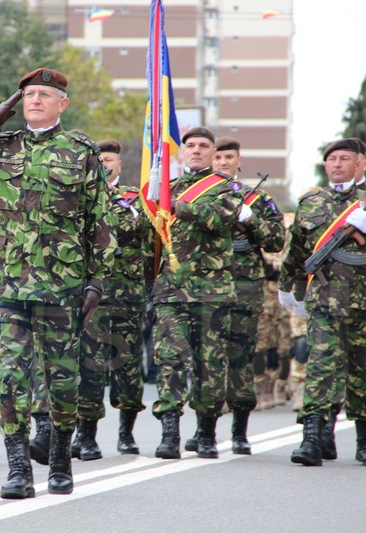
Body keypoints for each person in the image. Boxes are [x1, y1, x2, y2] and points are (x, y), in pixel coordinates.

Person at [0, 68, 116, 497]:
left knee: (62, 379)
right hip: (5, 282)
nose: (34, 100)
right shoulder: (0, 145)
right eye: (28, 95)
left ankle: (60, 459)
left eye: (44, 94)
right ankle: (18, 468)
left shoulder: (80, 152)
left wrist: (97, 280)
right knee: (10, 377)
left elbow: (101, 220)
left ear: (63, 103)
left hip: (61, 283)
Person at [280, 138, 366, 467]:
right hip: (325, 301)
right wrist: (290, 286)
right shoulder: (312, 201)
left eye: (345, 159)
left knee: (365, 374)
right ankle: (312, 437)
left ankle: (365, 441)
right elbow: (298, 248)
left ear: (361, 164)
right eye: (332, 159)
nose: (337, 164)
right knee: (322, 368)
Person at [182, 136, 285, 455]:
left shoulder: (258, 199)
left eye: (230, 157)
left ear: (240, 163)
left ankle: (239, 431)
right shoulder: (198, 198)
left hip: (244, 287)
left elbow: (276, 241)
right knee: (205, 359)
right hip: (207, 286)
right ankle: (204, 430)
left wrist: (249, 220)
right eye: (220, 157)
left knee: (240, 358)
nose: (224, 162)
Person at [150, 127, 241, 460]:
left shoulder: (225, 188)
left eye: (204, 146)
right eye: (191, 146)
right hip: (171, 291)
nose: (197, 150)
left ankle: (205, 433)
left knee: (210, 365)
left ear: (214, 153)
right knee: (170, 362)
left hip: (211, 293)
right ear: (182, 152)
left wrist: (177, 207)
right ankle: (169, 432)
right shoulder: (164, 190)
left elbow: (222, 219)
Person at [73, 139, 147, 461]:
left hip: (125, 298)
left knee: (127, 366)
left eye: (110, 160)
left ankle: (126, 432)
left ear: (119, 165)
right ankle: (86, 436)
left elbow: (137, 229)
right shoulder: (79, 198)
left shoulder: (136, 199)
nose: (104, 164)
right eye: (99, 159)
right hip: (90, 298)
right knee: (88, 367)